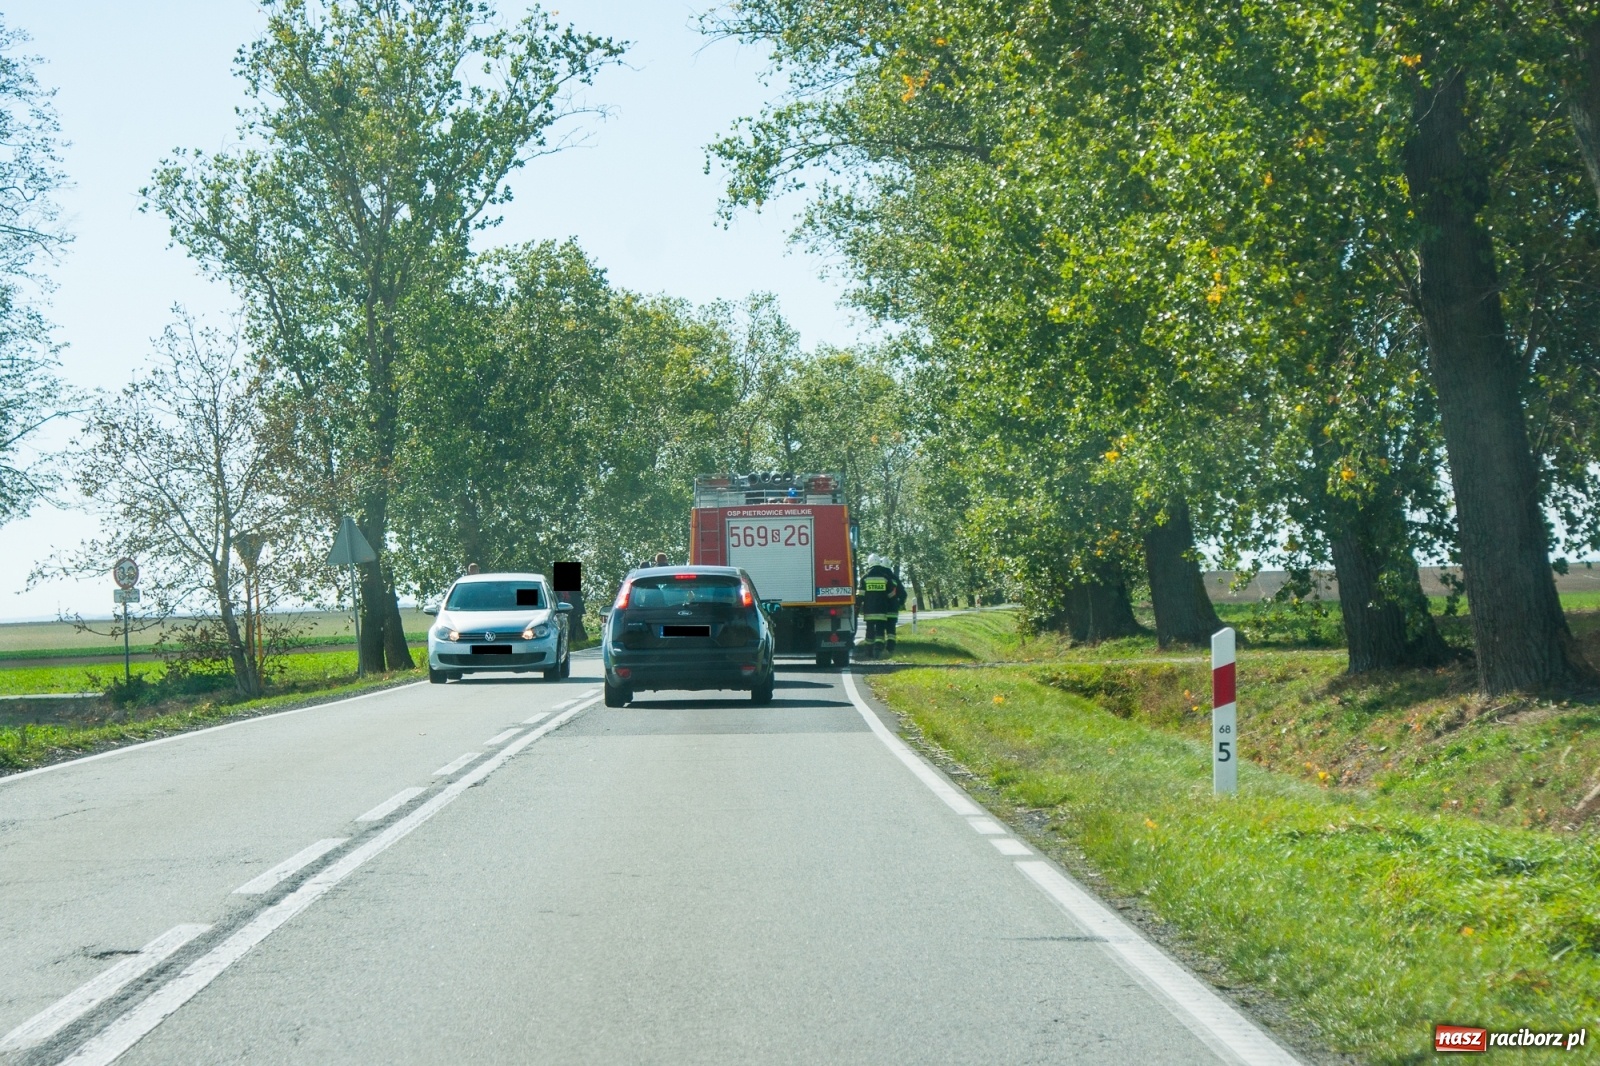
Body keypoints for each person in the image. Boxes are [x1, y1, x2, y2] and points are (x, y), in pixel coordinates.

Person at [857, 554, 906, 659]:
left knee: (869, 631)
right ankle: (878, 649)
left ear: (869, 563)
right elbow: (891, 595)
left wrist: (857, 608)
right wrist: (894, 604)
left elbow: (860, 595)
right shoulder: (885, 578)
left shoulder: (865, 578)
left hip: (869, 611)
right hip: (882, 611)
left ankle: (868, 652)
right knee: (880, 630)